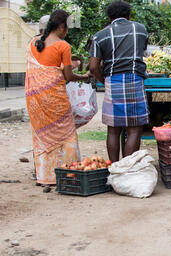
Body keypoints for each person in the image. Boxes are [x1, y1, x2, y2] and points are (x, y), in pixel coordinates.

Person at [25, 10, 89, 187]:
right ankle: (69, 173)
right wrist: (85, 76)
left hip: (34, 99)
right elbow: (68, 76)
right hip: (55, 98)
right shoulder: (63, 46)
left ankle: (45, 177)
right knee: (66, 134)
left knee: (40, 136)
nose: (67, 31)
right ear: (61, 27)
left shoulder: (32, 43)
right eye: (67, 28)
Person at [89, 1, 149, 162]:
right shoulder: (140, 29)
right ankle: (127, 170)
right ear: (128, 16)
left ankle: (115, 168)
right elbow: (142, 50)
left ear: (109, 18)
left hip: (112, 82)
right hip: (134, 80)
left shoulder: (99, 36)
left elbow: (93, 67)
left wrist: (104, 81)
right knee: (134, 128)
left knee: (113, 130)